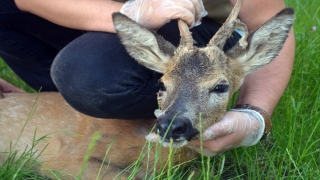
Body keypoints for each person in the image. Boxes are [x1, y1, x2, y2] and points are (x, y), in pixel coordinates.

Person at [0, 0, 295, 155]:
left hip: (195, 34)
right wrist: (131, 11)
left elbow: (267, 18)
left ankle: (95, 93)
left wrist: (255, 116)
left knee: (87, 74)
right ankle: (61, 101)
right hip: (96, 14)